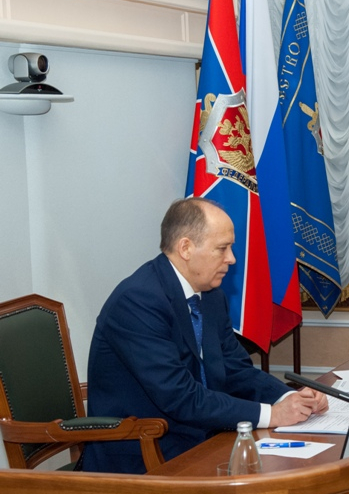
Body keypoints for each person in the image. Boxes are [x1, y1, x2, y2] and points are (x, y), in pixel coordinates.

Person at [82, 197, 328, 474]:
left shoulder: (210, 296)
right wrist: (272, 415)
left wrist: (288, 399)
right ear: (186, 247)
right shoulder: (138, 301)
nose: (232, 259)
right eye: (222, 248)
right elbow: (180, 397)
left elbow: (235, 369)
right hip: (146, 452)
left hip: (201, 436)